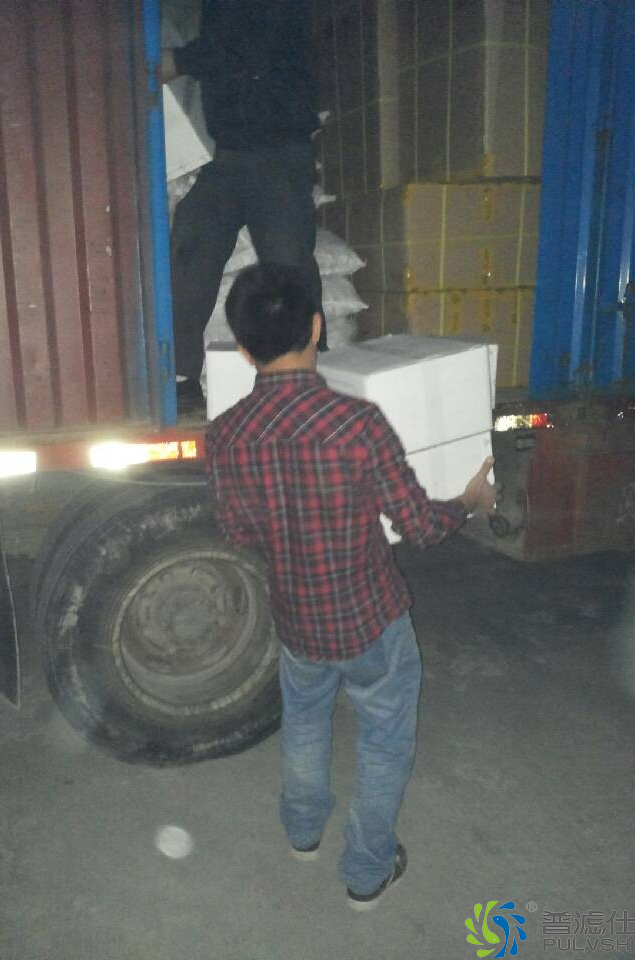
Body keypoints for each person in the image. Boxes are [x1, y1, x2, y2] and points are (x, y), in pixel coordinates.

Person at [204, 264, 497, 911]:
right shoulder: (357, 423)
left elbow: (239, 530)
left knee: (305, 721)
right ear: (317, 327)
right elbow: (421, 527)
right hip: (370, 621)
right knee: (383, 741)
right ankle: (366, 874)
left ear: (244, 349)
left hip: (296, 621)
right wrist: (470, 500)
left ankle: (303, 834)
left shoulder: (224, 436)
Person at [159, 1, 327, 410]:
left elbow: (249, 45)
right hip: (231, 152)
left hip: (279, 146)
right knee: (193, 238)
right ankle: (181, 378)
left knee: (286, 262)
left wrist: (178, 60)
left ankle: (309, 374)